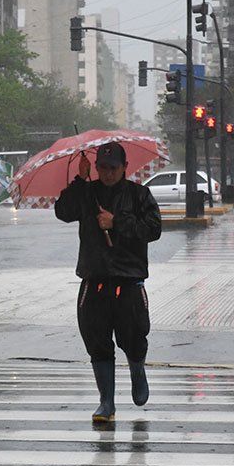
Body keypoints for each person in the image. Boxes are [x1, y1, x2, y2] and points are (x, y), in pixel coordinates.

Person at [55, 142, 162, 423]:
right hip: (94, 279)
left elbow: (153, 229)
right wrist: (79, 179)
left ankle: (137, 370)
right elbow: (63, 211)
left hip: (129, 282)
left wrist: (118, 223)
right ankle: (107, 402)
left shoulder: (139, 195)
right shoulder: (87, 192)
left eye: (113, 168)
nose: (108, 173)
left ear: (125, 167)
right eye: (103, 167)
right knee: (97, 342)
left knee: (134, 337)